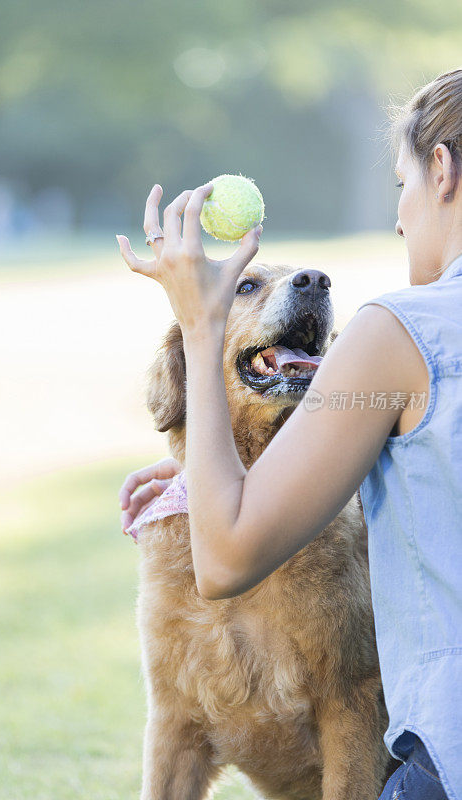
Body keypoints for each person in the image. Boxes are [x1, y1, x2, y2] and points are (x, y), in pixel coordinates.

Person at [116, 69, 462, 800]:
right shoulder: (388, 370)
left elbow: (225, 557)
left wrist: (202, 317)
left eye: (400, 182)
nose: (401, 218)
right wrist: (199, 466)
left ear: (439, 172)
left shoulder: (405, 331)